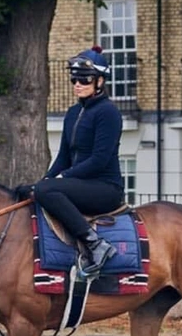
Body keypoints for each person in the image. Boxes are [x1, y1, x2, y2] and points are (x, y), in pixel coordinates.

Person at [16, 45, 125, 275]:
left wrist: (60, 178)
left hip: (105, 188)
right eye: (74, 79)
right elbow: (63, 157)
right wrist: (42, 181)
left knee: (47, 190)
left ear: (100, 82)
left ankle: (95, 244)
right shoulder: (73, 113)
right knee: (36, 190)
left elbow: (99, 160)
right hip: (79, 183)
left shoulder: (108, 113)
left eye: (84, 80)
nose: (77, 84)